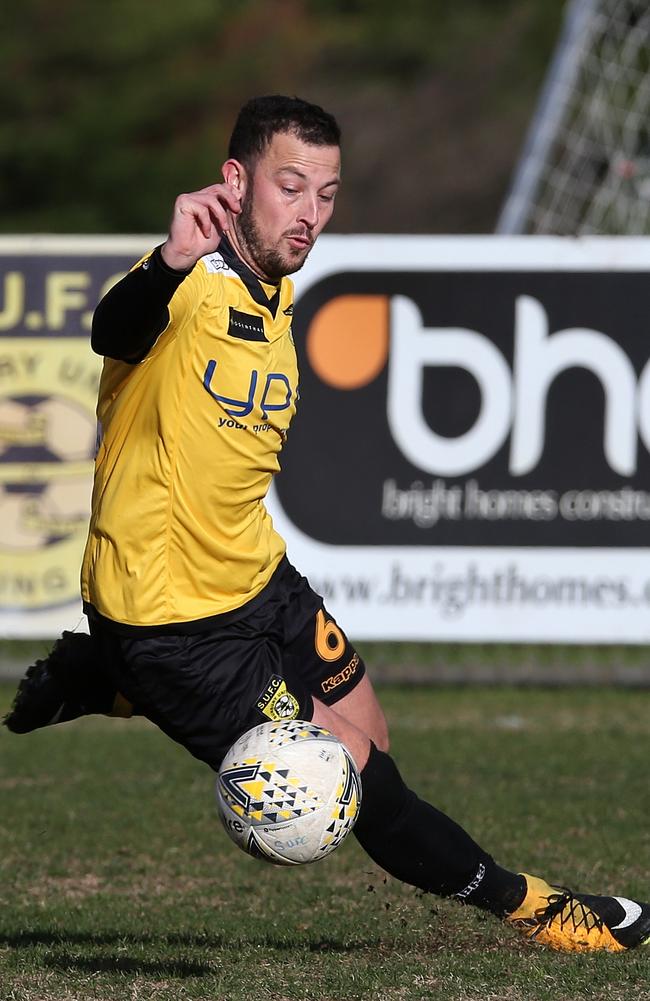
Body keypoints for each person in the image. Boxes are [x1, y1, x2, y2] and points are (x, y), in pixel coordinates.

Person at [4, 95, 649, 954]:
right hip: (174, 622)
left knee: (375, 734)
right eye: (290, 186)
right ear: (236, 183)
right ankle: (542, 912)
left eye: (328, 193)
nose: (309, 214)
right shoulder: (188, 279)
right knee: (357, 785)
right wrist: (166, 260)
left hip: (257, 578)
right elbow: (112, 329)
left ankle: (108, 680)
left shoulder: (279, 291)